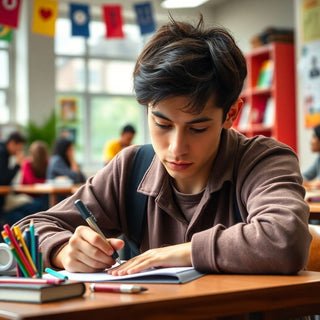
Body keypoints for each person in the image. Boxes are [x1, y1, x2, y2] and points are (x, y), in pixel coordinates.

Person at [15, 16, 311, 276]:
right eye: (162, 124)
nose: (176, 148)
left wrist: (180, 253)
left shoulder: (265, 160)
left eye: (198, 128)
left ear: (231, 114)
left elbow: (286, 240)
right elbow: (23, 232)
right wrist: (63, 250)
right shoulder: (130, 168)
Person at [0, 131, 43, 226]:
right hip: (4, 204)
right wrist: (18, 164)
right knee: (36, 207)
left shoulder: (4, 153)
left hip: (7, 200)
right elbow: (3, 180)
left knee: (34, 208)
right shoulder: (2, 153)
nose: (19, 151)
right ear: (12, 143)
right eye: (19, 148)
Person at [303, 124, 320, 189]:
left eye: (314, 137)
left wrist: (306, 183)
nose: (310, 142)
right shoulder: (318, 160)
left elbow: (318, 183)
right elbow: (304, 176)